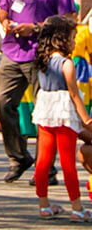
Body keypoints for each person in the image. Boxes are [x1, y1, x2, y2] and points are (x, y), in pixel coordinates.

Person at [0, 0, 76, 182]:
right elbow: (2, 8)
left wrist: (37, 27)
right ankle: (19, 157)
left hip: (41, 54)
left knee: (44, 112)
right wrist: (5, 21)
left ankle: (47, 168)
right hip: (11, 50)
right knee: (2, 104)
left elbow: (69, 18)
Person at [32, 15, 92, 221]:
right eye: (72, 37)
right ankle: (77, 208)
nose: (74, 41)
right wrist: (86, 119)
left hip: (45, 112)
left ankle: (44, 206)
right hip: (64, 114)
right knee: (67, 163)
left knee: (43, 160)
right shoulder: (67, 64)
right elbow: (74, 94)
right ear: (62, 38)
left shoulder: (42, 60)